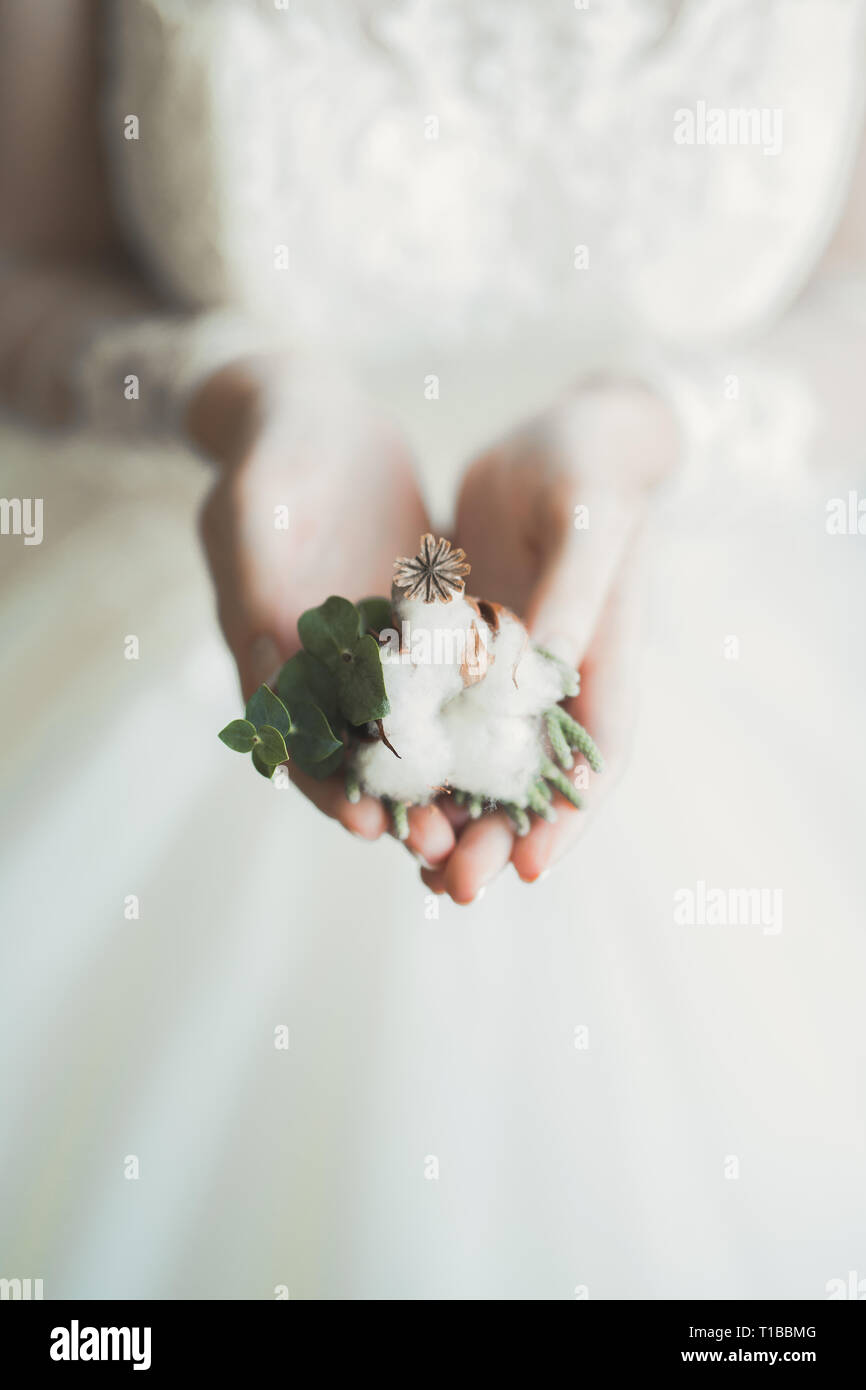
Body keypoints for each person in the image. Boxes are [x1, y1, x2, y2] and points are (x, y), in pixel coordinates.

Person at [2, 0, 865, 1299]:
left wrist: (655, 425)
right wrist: (232, 388)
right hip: (186, 601)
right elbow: (22, 271)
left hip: (726, 641)